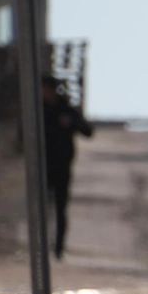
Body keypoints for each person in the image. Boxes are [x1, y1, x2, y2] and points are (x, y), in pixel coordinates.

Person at [42, 74, 92, 260]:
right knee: (41, 208)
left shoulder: (65, 109)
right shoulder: (38, 112)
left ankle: (58, 249)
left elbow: (88, 131)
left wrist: (72, 123)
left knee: (60, 208)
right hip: (41, 167)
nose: (45, 93)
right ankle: (42, 246)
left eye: (47, 89)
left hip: (62, 165)